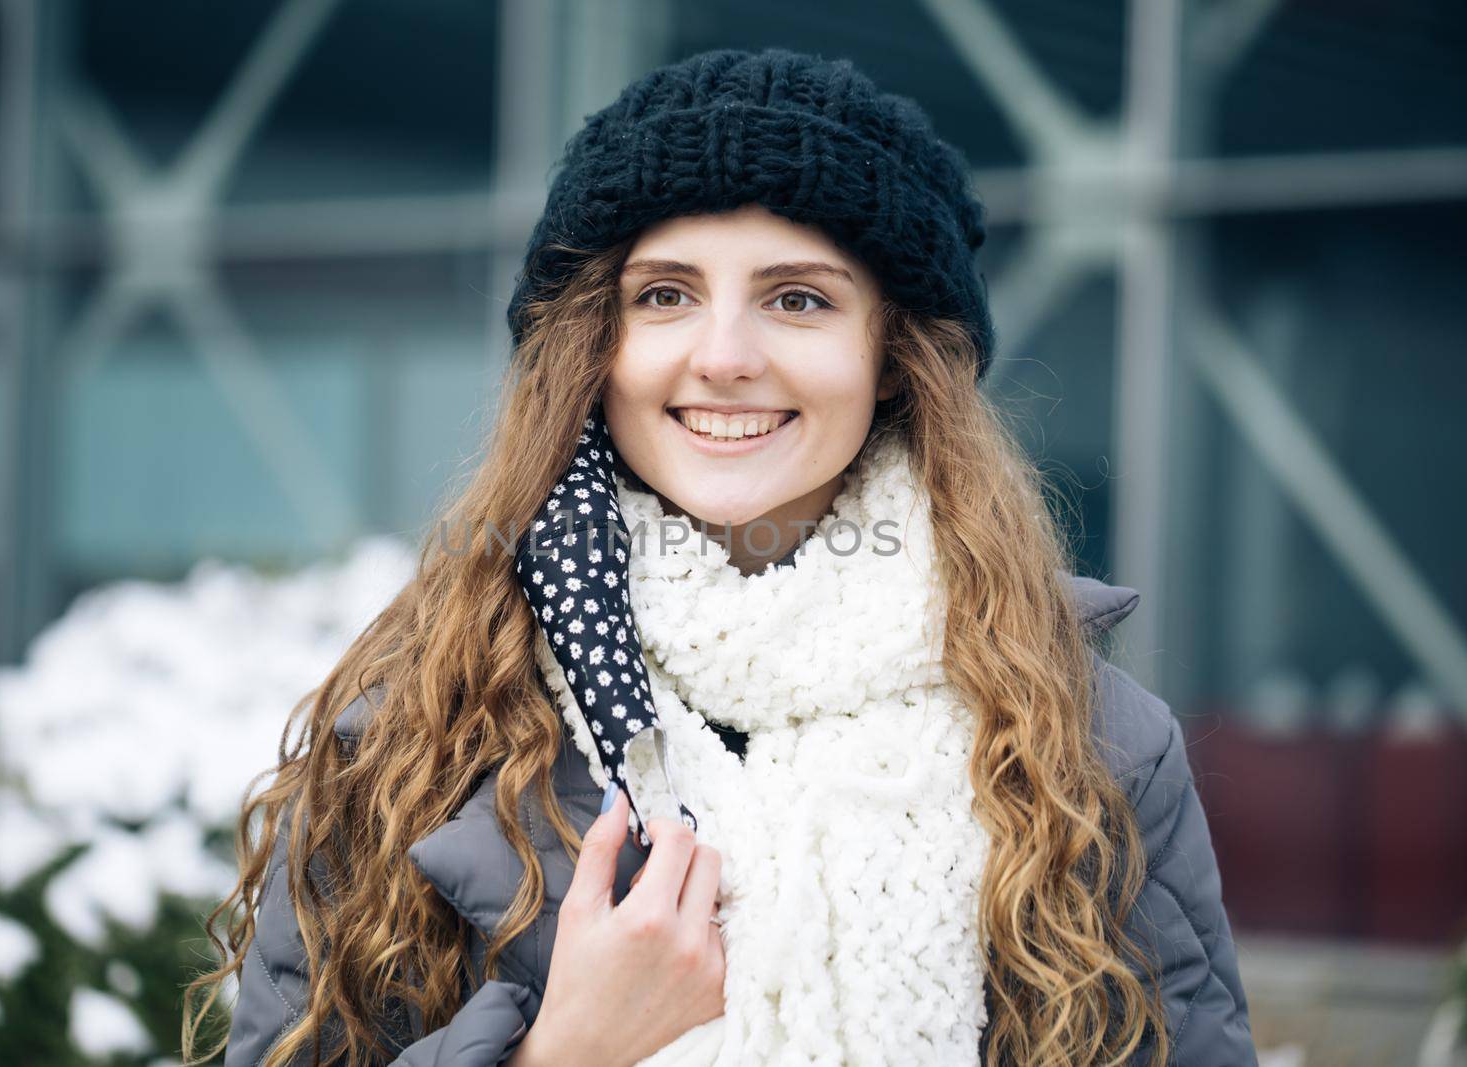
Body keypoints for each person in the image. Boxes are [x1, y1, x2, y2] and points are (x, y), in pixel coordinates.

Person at [182, 47, 1255, 1067]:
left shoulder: (1090, 741)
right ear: (593, 347)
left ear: (891, 357)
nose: (726, 356)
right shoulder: (423, 720)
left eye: (798, 298)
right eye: (664, 295)